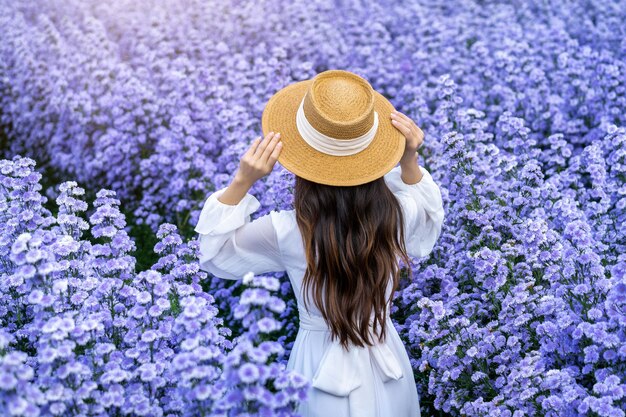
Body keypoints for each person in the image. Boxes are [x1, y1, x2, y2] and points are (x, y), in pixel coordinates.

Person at [194, 69, 445, 417]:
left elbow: (215, 255)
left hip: (317, 365)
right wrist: (410, 158)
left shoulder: (288, 230)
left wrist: (242, 180)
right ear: (372, 157)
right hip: (388, 365)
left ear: (304, 165)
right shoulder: (396, 214)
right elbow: (428, 220)